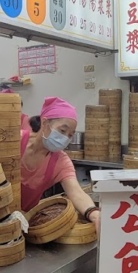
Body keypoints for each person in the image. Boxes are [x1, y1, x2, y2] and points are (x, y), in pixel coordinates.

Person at [21, 97, 101, 232]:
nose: (65, 138)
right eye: (62, 131)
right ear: (45, 123)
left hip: (20, 225)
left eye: (70, 135)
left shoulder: (60, 161)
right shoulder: (14, 142)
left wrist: (95, 214)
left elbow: (76, 192)